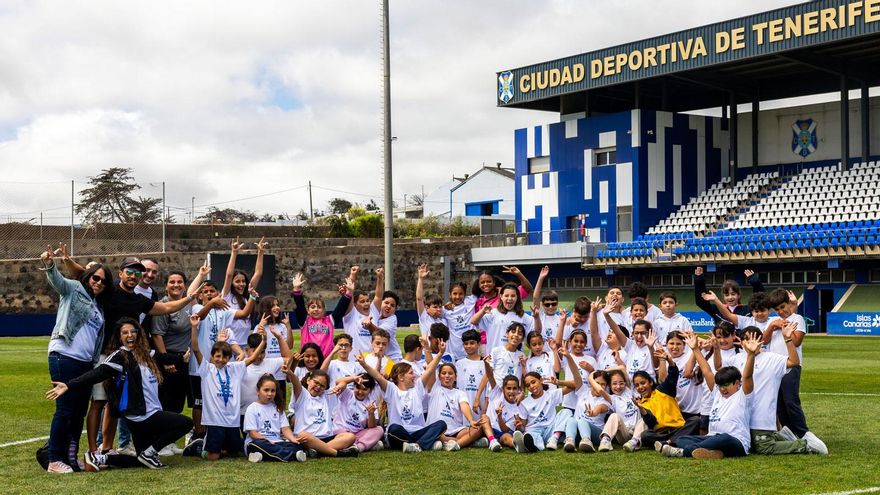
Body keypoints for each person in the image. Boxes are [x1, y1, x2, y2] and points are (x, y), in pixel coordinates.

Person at [46, 318, 193, 471]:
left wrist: (181, 358)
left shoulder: (147, 354)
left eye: (133, 331)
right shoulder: (120, 356)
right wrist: (69, 385)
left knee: (141, 459)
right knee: (185, 423)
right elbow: (98, 373)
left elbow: (165, 358)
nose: (130, 335)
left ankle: (101, 457)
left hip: (147, 412)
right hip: (141, 414)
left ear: (139, 334)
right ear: (119, 337)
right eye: (125, 332)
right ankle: (150, 453)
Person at [40, 245, 112, 473]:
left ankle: (70, 458)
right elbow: (57, 281)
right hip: (64, 356)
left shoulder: (100, 308)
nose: (98, 283)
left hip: (85, 363)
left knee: (79, 412)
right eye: (95, 278)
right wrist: (50, 264)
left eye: (103, 281)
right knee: (65, 410)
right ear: (88, 278)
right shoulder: (74, 290)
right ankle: (54, 460)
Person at [723, 326, 827, 455]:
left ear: (761, 341)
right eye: (746, 339)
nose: (750, 343)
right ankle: (783, 436)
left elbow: (794, 362)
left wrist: (788, 338)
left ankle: (806, 445)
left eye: (753, 339)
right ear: (741, 341)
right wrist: (715, 348)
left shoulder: (771, 358)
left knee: (764, 447)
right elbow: (718, 368)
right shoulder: (737, 358)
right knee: (747, 446)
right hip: (742, 415)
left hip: (762, 416)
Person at [658, 330, 757, 459]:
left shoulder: (743, 396)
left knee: (724, 438)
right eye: (720, 385)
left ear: (737, 383)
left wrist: (751, 354)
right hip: (712, 438)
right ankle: (715, 453)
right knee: (682, 439)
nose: (722, 389)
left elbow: (747, 376)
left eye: (726, 385)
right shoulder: (717, 393)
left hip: (736, 442)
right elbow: (706, 370)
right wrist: (695, 349)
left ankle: (683, 452)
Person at [189, 317, 260, 461]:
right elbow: (195, 348)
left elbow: (251, 359)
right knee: (213, 456)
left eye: (225, 357)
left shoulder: (234, 368)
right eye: (217, 356)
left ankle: (220, 446)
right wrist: (194, 328)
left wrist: (263, 341)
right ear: (212, 356)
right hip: (215, 420)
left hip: (232, 421)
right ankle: (197, 448)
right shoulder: (207, 369)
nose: (221, 360)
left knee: (234, 453)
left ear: (229, 358)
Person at [358, 341, 447, 452]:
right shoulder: (391, 389)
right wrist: (364, 364)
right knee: (393, 429)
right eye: (411, 373)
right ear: (401, 377)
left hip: (418, 431)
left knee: (441, 424)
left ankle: (416, 445)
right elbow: (378, 377)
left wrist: (440, 354)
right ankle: (425, 443)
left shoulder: (417, 388)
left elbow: (429, 370)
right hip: (399, 433)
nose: (414, 375)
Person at [151, 265, 210, 418]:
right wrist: (166, 360)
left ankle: (171, 441)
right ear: (165, 286)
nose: (176, 285)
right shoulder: (162, 306)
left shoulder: (188, 303)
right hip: (167, 359)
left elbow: (191, 293)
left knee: (178, 403)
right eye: (172, 282)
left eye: (180, 282)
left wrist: (201, 275)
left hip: (183, 360)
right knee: (165, 403)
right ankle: (161, 440)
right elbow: (157, 335)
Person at [622, 347, 700, 452]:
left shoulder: (663, 390)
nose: (640, 387)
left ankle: (667, 443)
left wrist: (669, 360)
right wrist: (641, 409)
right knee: (645, 435)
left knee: (695, 420)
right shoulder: (641, 403)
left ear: (650, 382)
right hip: (660, 433)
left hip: (678, 428)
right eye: (637, 385)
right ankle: (672, 441)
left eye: (643, 383)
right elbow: (652, 422)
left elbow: (673, 375)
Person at [512, 347, 582, 453]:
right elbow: (524, 425)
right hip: (534, 430)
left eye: (533, 382)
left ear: (540, 380)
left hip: (550, 429)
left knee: (566, 412)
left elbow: (576, 385)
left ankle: (554, 438)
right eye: (528, 385)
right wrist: (519, 426)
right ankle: (530, 445)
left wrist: (559, 382)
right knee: (529, 434)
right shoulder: (525, 403)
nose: (531, 386)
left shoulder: (551, 395)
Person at [765, 288, 812, 440]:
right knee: (779, 403)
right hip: (775, 367)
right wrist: (773, 326)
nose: (780, 311)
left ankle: (803, 433)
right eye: (777, 309)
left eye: (782, 307)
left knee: (791, 400)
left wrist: (786, 328)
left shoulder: (797, 319)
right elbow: (764, 341)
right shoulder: (773, 321)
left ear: (789, 304)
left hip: (792, 365)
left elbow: (797, 341)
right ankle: (788, 433)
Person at [286, 367, 359, 458]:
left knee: (350, 436)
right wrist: (291, 373)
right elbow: (295, 382)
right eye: (316, 382)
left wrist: (344, 384)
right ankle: (337, 453)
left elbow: (342, 383)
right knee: (303, 435)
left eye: (322, 386)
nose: (318, 387)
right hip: (309, 439)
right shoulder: (302, 395)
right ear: (308, 380)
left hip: (327, 438)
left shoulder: (327, 396)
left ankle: (318, 451)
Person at [243, 374, 306, 463]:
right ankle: (291, 455)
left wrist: (293, 439)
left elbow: (285, 429)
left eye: (273, 391)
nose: (270, 394)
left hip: (277, 442)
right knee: (258, 445)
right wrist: (266, 440)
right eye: (266, 390)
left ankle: (263, 456)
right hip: (260, 442)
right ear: (258, 391)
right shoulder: (252, 408)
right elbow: (253, 433)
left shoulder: (278, 408)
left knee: (296, 445)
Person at [427, 363, 486, 451]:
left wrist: (471, 420)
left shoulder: (460, 393)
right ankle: (468, 442)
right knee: (437, 435)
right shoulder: (434, 388)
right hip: (437, 431)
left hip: (456, 430)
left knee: (478, 429)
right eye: (443, 373)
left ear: (455, 377)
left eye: (450, 373)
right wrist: (439, 353)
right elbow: (430, 367)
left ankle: (455, 444)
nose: (447, 376)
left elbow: (464, 406)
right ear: (439, 377)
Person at [292, 272, 350, 358]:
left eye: (319, 307)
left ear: (323, 310)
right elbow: (300, 306)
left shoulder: (329, 321)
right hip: (308, 359)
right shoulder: (305, 321)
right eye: (313, 307)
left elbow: (340, 309)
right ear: (308, 310)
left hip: (325, 360)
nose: (316, 309)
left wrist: (349, 293)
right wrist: (297, 290)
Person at [221, 236, 266, 345]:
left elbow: (258, 273)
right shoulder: (227, 296)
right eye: (237, 281)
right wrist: (234, 252)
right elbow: (229, 275)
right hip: (229, 345)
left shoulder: (247, 297)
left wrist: (260, 253)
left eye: (243, 281)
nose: (241, 284)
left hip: (244, 344)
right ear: (231, 283)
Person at [471, 282, 537, 353]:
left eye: (513, 296)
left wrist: (537, 318)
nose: (509, 298)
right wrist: (483, 311)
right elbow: (473, 321)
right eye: (506, 295)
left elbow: (536, 332)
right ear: (501, 296)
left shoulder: (524, 317)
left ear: (517, 297)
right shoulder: (493, 313)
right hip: (494, 360)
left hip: (515, 361)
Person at [330, 373, 385, 453]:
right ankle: (367, 444)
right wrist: (353, 378)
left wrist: (371, 413)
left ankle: (357, 448)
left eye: (364, 389)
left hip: (357, 435)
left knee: (379, 430)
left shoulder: (371, 403)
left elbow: (371, 426)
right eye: (358, 388)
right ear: (354, 386)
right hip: (341, 433)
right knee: (349, 437)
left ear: (371, 390)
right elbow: (339, 381)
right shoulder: (348, 394)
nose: (360, 392)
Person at [253, 298, 294, 401]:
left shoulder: (282, 327)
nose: (277, 308)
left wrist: (288, 327)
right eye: (273, 306)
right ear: (266, 309)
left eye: (277, 305)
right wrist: (260, 327)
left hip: (280, 371)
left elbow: (289, 346)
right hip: (265, 371)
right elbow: (255, 347)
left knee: (280, 401)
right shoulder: (259, 327)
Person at [693, 267, 765, 325]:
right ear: (723, 296)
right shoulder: (716, 309)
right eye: (727, 295)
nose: (730, 297)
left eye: (733, 294)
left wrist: (756, 283)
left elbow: (760, 300)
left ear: (739, 295)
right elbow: (701, 301)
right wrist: (699, 281)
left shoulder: (748, 309)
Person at [361, 268, 403, 361]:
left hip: (392, 358)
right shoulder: (374, 310)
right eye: (386, 303)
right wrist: (379, 277)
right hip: (378, 356)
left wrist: (369, 325)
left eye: (392, 305)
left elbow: (380, 334)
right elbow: (378, 295)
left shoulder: (392, 319)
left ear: (395, 309)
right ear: (381, 302)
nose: (388, 306)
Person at [563, 370, 611, 452]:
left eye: (603, 384)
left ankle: (587, 441)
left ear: (606, 386)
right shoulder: (583, 391)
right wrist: (568, 356)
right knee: (571, 420)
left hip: (596, 433)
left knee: (582, 421)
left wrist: (593, 413)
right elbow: (576, 374)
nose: (599, 386)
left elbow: (600, 408)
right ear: (592, 383)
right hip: (578, 432)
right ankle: (570, 441)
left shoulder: (606, 399)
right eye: (597, 383)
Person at [593, 369, 640, 452]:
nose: (618, 387)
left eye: (621, 383)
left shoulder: (628, 391)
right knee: (614, 416)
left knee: (643, 420)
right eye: (614, 384)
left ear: (625, 383)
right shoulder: (612, 399)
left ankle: (634, 442)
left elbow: (622, 367)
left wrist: (606, 370)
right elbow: (600, 390)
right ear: (610, 386)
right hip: (624, 433)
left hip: (637, 431)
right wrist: (593, 374)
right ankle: (605, 441)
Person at [480, 375, 522, 452]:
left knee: (507, 437)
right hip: (490, 429)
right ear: (503, 389)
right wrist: (486, 363)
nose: (511, 391)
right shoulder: (497, 394)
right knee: (484, 417)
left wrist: (499, 417)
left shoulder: (517, 409)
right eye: (508, 388)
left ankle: (519, 445)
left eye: (514, 388)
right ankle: (492, 441)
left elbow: (504, 430)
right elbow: (490, 376)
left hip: (502, 434)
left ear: (518, 390)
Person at [442, 281, 477, 361]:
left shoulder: (470, 302)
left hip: (471, 353)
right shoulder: (445, 310)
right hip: (454, 354)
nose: (457, 297)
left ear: (465, 294)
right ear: (449, 294)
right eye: (454, 294)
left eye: (461, 294)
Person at [455, 329, 487, 414]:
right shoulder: (458, 364)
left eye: (472, 343)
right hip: (462, 409)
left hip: (481, 407)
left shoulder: (485, 363)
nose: (468, 346)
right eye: (466, 344)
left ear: (479, 344)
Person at [531, 266, 561, 352]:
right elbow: (535, 297)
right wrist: (541, 278)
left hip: (555, 356)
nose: (551, 307)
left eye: (553, 304)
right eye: (547, 305)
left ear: (557, 304)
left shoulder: (560, 319)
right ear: (543, 305)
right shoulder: (540, 315)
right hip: (541, 354)